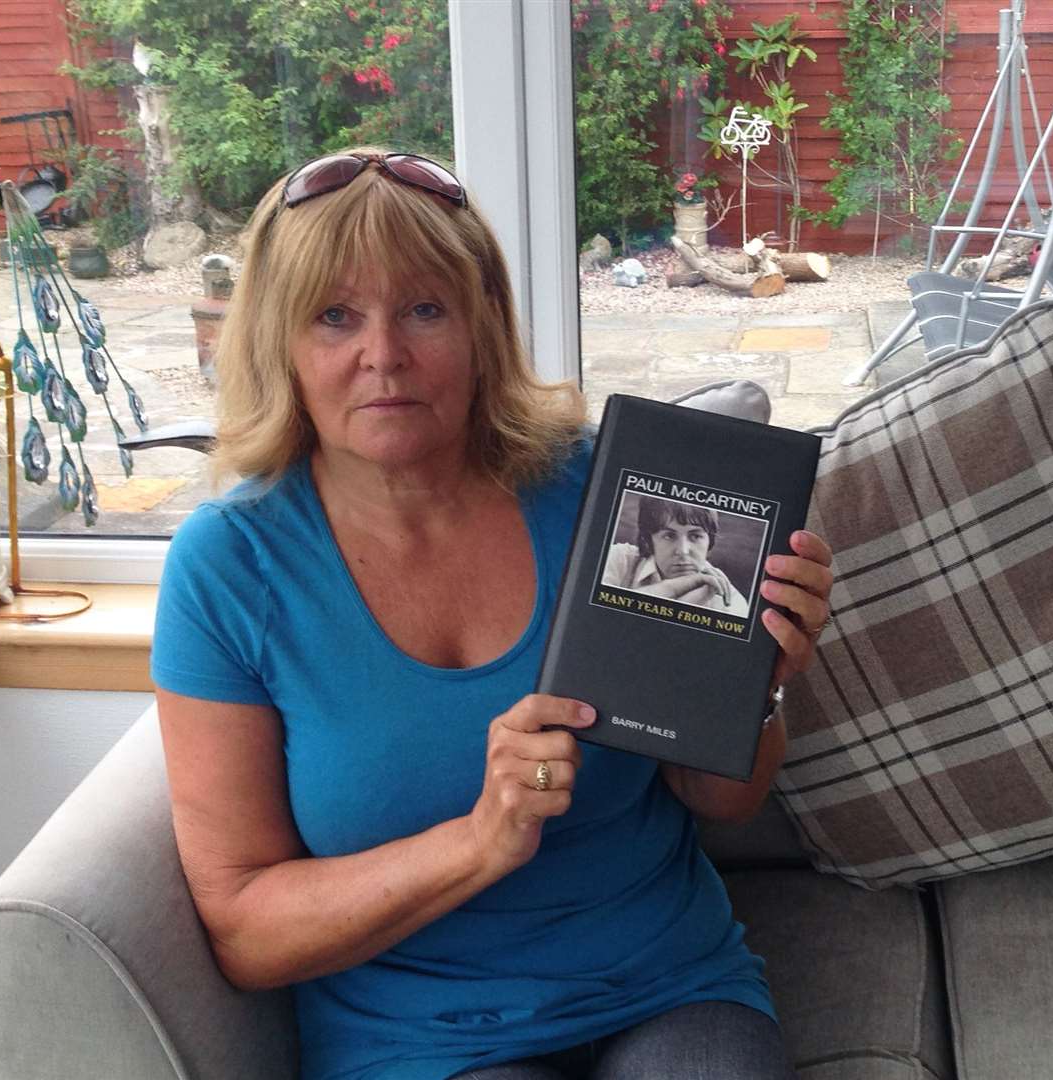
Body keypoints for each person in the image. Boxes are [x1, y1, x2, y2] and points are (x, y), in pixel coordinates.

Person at [150, 148, 835, 1080]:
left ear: (482, 327)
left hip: (669, 989)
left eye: (424, 309)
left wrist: (755, 682)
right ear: (279, 341)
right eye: (334, 316)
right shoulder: (231, 567)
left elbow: (719, 799)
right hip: (420, 1038)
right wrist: (479, 840)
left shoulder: (600, 493)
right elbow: (245, 932)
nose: (382, 355)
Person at [602, 495, 751, 615]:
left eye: (695, 536)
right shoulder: (617, 559)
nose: (683, 551)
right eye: (669, 536)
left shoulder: (728, 602)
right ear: (648, 540)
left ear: (709, 541)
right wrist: (673, 590)